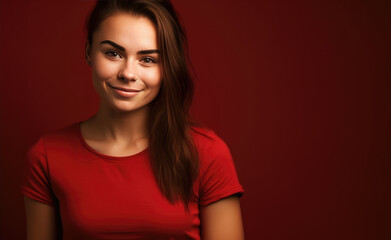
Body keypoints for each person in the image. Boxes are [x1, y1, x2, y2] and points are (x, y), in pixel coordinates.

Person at [21, 0, 245, 239]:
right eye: (113, 53)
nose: (128, 73)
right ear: (88, 52)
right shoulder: (47, 157)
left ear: (166, 67)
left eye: (147, 59)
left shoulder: (207, 153)